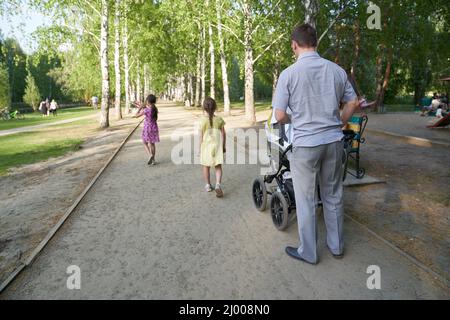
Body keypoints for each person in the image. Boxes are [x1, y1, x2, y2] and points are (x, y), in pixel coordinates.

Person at [272, 24, 359, 265]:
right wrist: (339, 122)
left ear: (294, 45)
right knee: (333, 194)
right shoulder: (336, 70)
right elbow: (352, 103)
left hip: (306, 144)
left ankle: (308, 252)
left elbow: (279, 115)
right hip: (333, 142)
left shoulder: (289, 74)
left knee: (306, 198)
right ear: (316, 44)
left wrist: (294, 117)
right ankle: (337, 246)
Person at [199, 97, 226, 198]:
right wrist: (223, 146)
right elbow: (223, 134)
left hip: (206, 148)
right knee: (218, 166)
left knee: (206, 166)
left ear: (204, 108)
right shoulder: (219, 120)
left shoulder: (202, 121)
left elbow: (201, 137)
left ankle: (208, 185)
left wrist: (200, 149)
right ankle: (218, 184)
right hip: (217, 147)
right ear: (215, 107)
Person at [134, 94, 160, 165]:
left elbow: (136, 116)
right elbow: (147, 109)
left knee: (145, 142)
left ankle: (150, 155)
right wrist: (140, 105)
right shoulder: (154, 108)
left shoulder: (146, 110)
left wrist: (139, 108)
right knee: (152, 143)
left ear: (148, 101)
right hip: (154, 127)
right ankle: (153, 160)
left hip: (147, 128)